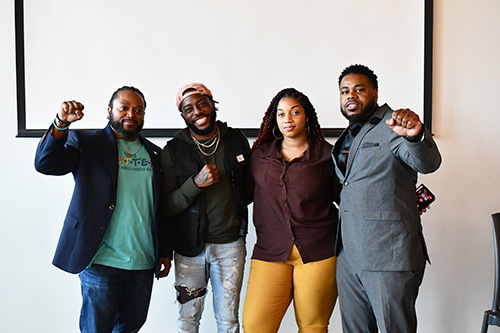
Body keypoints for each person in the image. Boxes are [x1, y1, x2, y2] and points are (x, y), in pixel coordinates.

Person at [34, 86, 172, 332]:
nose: (131, 114)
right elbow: (46, 164)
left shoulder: (154, 153)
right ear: (110, 111)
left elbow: (159, 207)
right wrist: (61, 124)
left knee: (131, 326)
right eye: (124, 108)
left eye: (138, 110)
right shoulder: (88, 143)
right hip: (100, 260)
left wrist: (164, 251)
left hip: (142, 261)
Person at [332, 64, 442, 333]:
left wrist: (416, 134)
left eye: (359, 89)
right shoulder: (348, 135)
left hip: (388, 257)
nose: (351, 96)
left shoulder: (394, 123)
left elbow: (428, 163)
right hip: (349, 257)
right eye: (345, 91)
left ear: (375, 93)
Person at [242, 88, 341, 332]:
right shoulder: (259, 157)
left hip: (318, 251)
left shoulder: (328, 156)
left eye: (295, 112)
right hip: (270, 251)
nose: (288, 119)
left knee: (313, 327)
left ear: (306, 116)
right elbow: (241, 196)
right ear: (274, 120)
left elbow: (348, 199)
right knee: (255, 325)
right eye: (281, 114)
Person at [160, 83, 250, 333]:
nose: (197, 111)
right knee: (188, 321)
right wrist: (195, 184)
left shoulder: (235, 139)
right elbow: (166, 207)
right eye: (188, 108)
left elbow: (248, 187)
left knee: (229, 320)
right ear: (183, 116)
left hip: (230, 245)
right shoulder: (173, 150)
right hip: (189, 249)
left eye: (202, 104)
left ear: (212, 104)